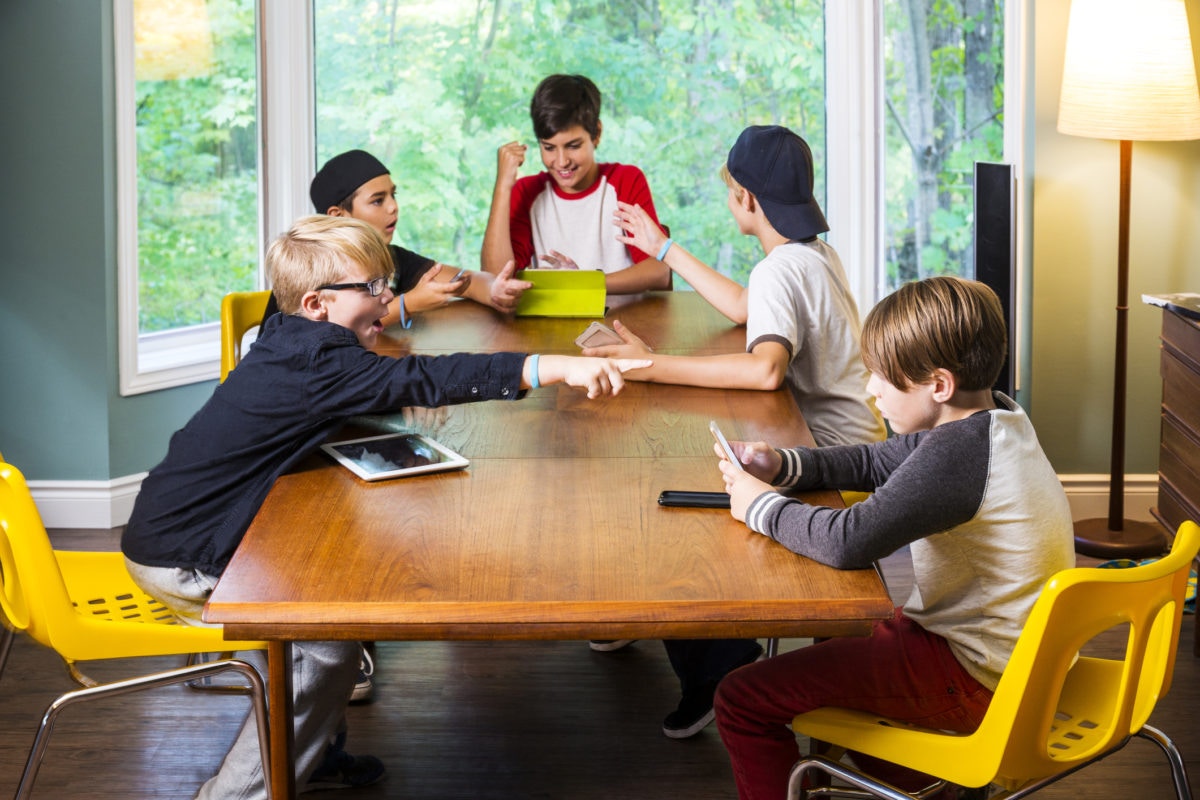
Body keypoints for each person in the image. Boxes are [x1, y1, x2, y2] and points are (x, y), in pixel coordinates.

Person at [121, 214, 648, 800]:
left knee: (331, 599)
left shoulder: (289, 336)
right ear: (318, 303)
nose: (388, 298)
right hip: (188, 555)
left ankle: (312, 755)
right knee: (325, 645)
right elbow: (425, 376)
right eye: (370, 289)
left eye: (385, 283)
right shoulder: (320, 363)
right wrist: (549, 366)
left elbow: (347, 394)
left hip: (183, 529)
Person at [711, 275, 1075, 800]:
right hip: (1007, 661)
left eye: (883, 378)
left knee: (741, 698)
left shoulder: (958, 453)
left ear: (939, 385)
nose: (870, 390)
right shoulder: (992, 417)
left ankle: (941, 779)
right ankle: (938, 786)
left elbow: (848, 541)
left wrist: (757, 506)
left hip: (975, 677)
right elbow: (873, 460)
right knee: (850, 648)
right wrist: (780, 463)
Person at [585, 125, 886, 738]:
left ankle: (717, 666)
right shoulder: (811, 254)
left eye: (730, 190)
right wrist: (663, 248)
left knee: (668, 504)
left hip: (832, 461)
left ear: (746, 198)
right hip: (865, 445)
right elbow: (746, 306)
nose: (730, 201)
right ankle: (692, 642)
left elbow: (766, 368)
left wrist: (643, 366)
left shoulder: (783, 269)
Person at [260, 149, 533, 329]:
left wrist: (493, 289)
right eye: (378, 201)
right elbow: (336, 332)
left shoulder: (392, 258)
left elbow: (465, 280)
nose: (393, 207)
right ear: (339, 215)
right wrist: (408, 303)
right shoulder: (307, 271)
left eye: (393, 195)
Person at [480, 74, 672, 294]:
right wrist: (503, 186)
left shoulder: (625, 181)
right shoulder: (527, 192)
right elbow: (496, 279)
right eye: (549, 148)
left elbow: (659, 271)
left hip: (618, 322)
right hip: (547, 326)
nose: (562, 162)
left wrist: (584, 283)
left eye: (573, 146)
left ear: (596, 134)